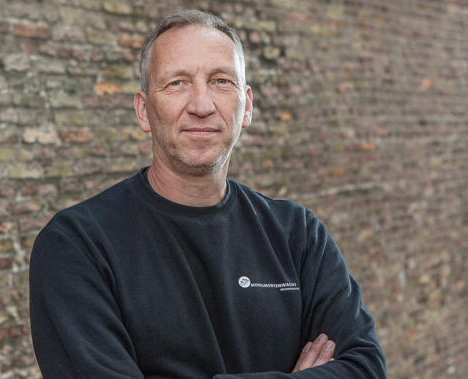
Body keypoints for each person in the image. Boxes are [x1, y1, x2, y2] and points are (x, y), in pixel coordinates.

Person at [29, 10, 387, 378]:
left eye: (220, 81)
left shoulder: (298, 234)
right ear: (143, 111)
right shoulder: (77, 246)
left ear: (246, 106)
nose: (201, 105)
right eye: (177, 83)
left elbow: (366, 367)